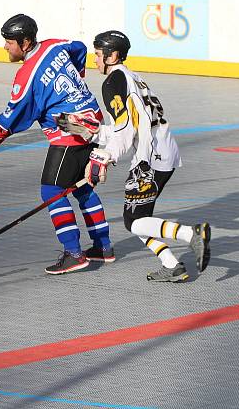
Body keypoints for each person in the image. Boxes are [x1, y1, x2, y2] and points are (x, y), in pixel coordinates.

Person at [57, 31, 211, 282]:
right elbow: (127, 126)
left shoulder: (113, 82)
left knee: (134, 223)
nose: (94, 60)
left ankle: (190, 234)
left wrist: (103, 156)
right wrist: (92, 131)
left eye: (98, 55)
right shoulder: (132, 78)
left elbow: (126, 131)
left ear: (112, 55)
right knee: (138, 218)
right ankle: (172, 265)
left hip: (151, 158)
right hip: (161, 151)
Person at [0, 14, 111, 275]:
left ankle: (74, 253)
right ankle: (102, 246)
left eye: (9, 42)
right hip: (91, 117)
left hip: (70, 129)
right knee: (80, 188)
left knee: (51, 191)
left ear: (25, 43)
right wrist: (76, 78)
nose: (6, 47)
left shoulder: (26, 75)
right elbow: (79, 48)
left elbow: (12, 114)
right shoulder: (55, 45)